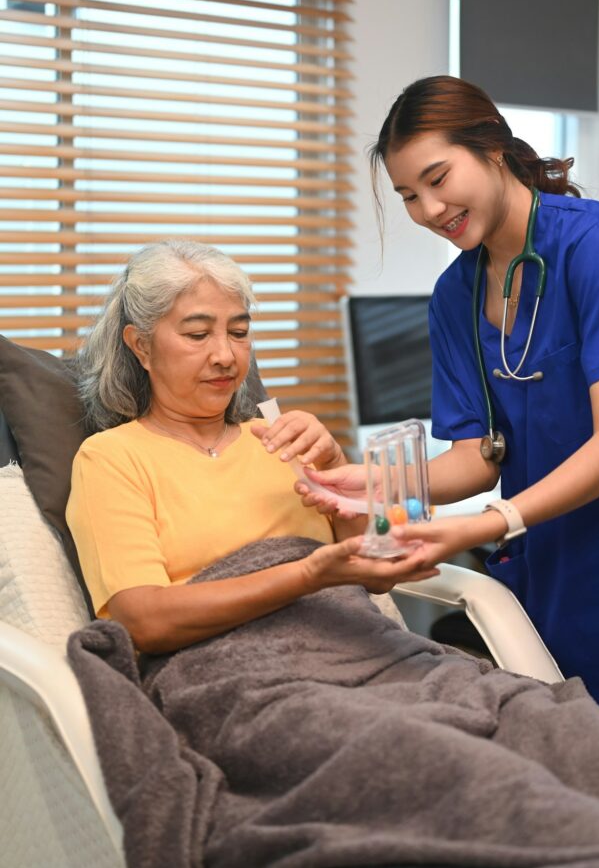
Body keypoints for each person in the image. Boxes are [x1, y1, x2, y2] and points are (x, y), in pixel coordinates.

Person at [298, 75, 599, 729]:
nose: (428, 209)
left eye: (439, 178)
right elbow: (477, 458)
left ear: (493, 149)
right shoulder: (456, 295)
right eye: (408, 195)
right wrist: (367, 484)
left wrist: (488, 523)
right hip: (552, 580)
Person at [65, 238, 436, 653]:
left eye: (239, 332)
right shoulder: (111, 459)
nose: (225, 354)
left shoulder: (281, 440)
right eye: (197, 334)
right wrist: (306, 575)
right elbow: (147, 622)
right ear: (141, 346)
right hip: (232, 670)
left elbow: (378, 575)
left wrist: (334, 464)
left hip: (349, 645)